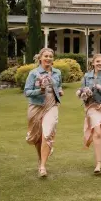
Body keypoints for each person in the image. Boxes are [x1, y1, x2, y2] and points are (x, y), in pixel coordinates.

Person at [24, 48, 63, 178]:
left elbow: (59, 85)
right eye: (46, 56)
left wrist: (60, 91)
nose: (48, 58)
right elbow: (27, 92)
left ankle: (42, 167)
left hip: (51, 105)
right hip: (36, 106)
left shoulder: (57, 72)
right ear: (40, 58)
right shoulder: (33, 73)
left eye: (50, 56)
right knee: (37, 136)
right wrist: (39, 91)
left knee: (47, 134)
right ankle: (41, 159)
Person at [77, 54, 101, 175]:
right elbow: (82, 90)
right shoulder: (87, 75)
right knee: (97, 133)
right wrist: (82, 94)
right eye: (97, 61)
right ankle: (98, 163)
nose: (100, 63)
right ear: (93, 63)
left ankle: (100, 156)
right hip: (91, 107)